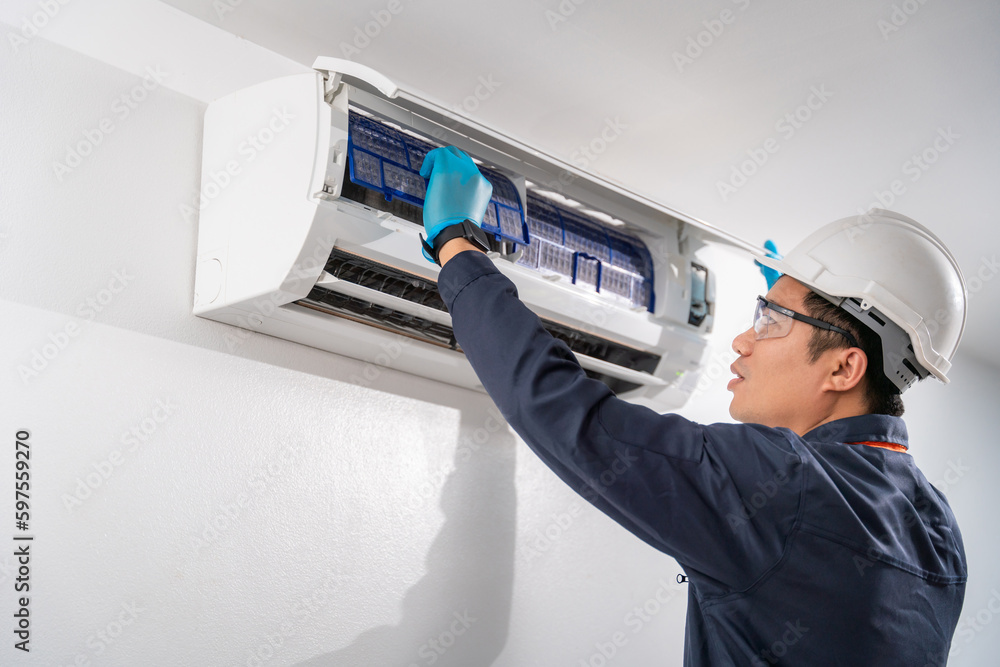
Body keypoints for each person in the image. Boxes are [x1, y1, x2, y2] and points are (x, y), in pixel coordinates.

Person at [418, 146, 968, 665]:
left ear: (844, 368)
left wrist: (457, 246)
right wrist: (792, 313)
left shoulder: (783, 483)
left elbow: (567, 414)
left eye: (770, 323)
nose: (743, 342)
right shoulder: (938, 528)